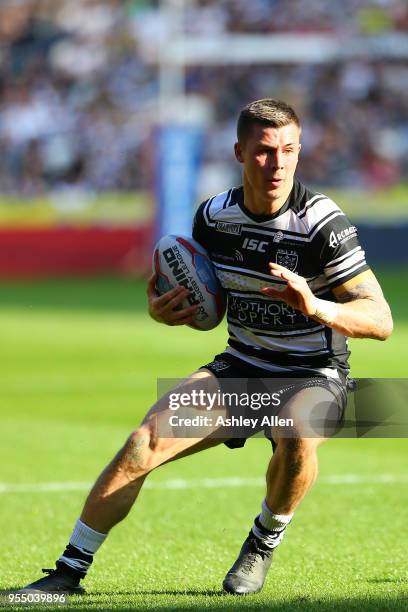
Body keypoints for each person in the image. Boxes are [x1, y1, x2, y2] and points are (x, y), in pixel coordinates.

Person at [20, 99, 393, 596]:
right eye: (263, 152)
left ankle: (262, 542)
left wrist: (317, 306)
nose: (277, 164)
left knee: (299, 433)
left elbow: (381, 319)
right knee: (141, 444)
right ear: (239, 152)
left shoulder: (321, 223)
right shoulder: (214, 218)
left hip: (315, 372)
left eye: (289, 150)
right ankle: (67, 573)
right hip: (240, 369)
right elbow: (205, 306)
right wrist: (163, 310)